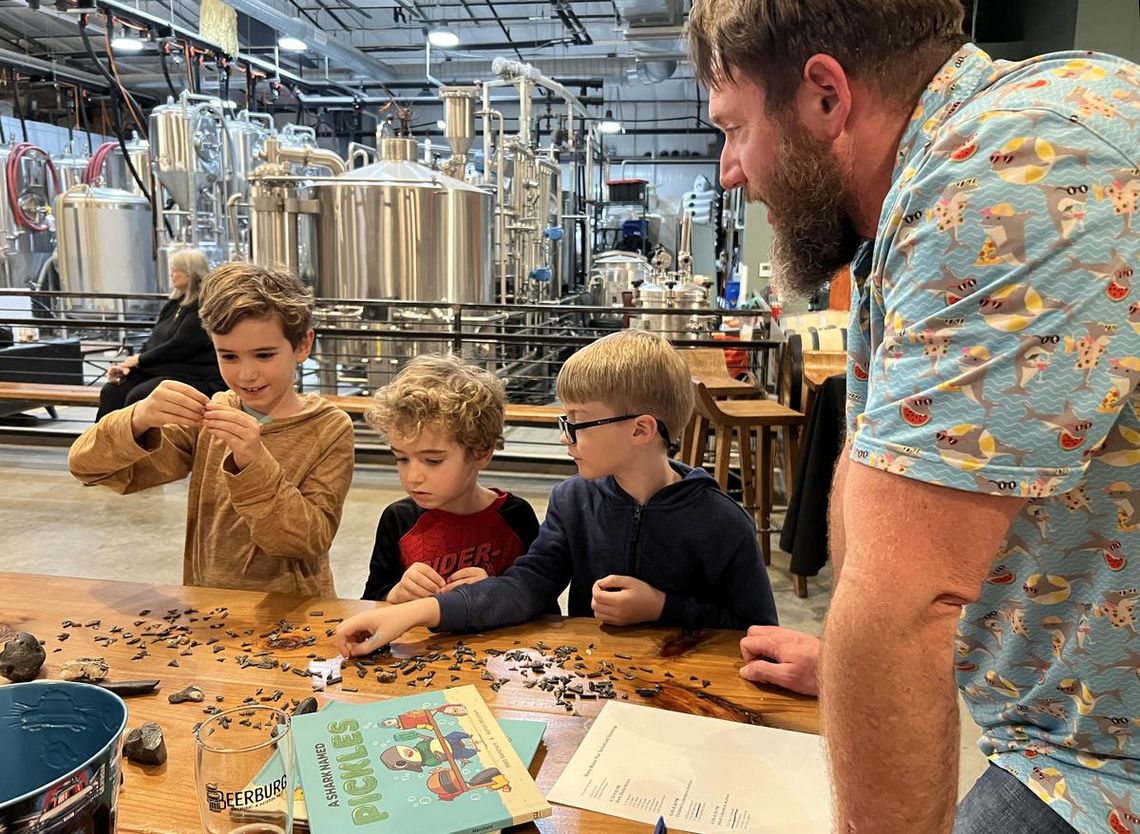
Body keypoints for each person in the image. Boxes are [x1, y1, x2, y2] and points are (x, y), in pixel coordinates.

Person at [687, 1, 1139, 831]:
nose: (729, 170)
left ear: (826, 95)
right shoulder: (935, 183)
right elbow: (879, 487)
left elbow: (906, 598)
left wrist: (880, 644)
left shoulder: (1012, 170)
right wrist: (852, 664)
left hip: (1105, 764)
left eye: (734, 127)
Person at [335, 329, 777, 655]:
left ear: (641, 429)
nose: (565, 438)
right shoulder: (573, 502)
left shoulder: (721, 522)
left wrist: (663, 607)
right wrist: (412, 612)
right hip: (594, 680)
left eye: (577, 423)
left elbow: (758, 632)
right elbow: (527, 586)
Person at [69, 263, 355, 596]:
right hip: (208, 609)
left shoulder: (329, 428)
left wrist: (253, 464)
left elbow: (308, 540)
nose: (247, 374)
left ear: (303, 345)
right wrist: (137, 417)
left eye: (264, 355)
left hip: (295, 617)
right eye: (229, 356)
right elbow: (87, 467)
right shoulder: (209, 417)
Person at [360, 354, 540, 603]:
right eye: (401, 459)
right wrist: (398, 593)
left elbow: (540, 599)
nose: (413, 477)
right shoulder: (398, 519)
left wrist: (497, 590)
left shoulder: (516, 516)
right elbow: (372, 599)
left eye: (433, 461)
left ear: (481, 452)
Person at [97, 249, 225, 420]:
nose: (171, 274)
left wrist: (139, 360)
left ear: (191, 272)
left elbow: (179, 346)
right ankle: (102, 443)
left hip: (192, 374)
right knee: (113, 391)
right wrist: (129, 365)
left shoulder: (203, 306)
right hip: (160, 371)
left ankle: (134, 443)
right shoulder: (173, 305)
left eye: (175, 269)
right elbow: (154, 340)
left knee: (139, 395)